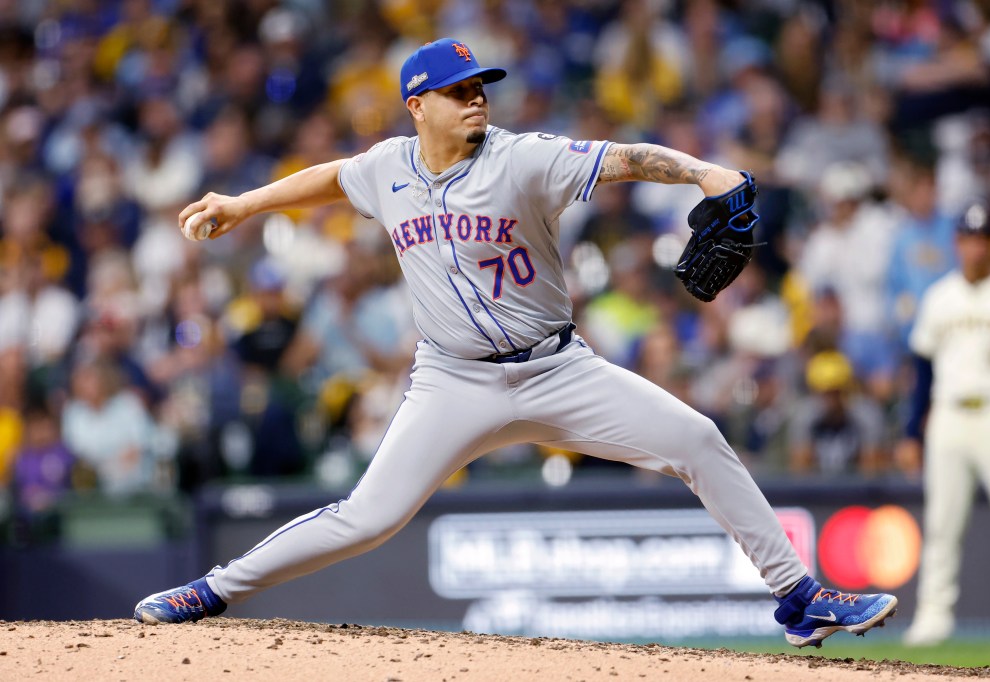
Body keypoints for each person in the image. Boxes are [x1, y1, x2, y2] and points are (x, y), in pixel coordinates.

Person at [133, 37, 897, 648]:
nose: (477, 99)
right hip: (452, 383)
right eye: (460, 91)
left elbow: (624, 158)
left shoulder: (521, 158)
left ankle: (799, 597)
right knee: (370, 516)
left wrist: (703, 171)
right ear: (416, 107)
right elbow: (334, 177)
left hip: (559, 369)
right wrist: (243, 203)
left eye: (481, 87)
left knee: (697, 438)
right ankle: (212, 589)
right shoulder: (387, 168)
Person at [898, 201, 990, 646]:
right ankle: (933, 618)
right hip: (949, 414)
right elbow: (924, 370)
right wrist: (912, 431)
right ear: (957, 242)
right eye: (967, 238)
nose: (974, 247)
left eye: (982, 238)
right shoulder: (940, 296)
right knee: (941, 524)